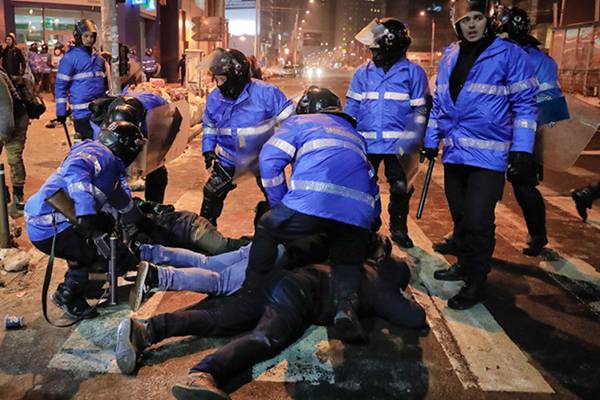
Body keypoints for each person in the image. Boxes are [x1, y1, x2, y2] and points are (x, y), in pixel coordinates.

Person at [115, 258, 426, 399]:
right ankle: (204, 373)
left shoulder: (354, 262)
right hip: (301, 297)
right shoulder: (382, 286)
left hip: (280, 278)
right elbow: (414, 319)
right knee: (264, 338)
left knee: (220, 319)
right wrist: (406, 296)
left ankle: (147, 329)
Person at [421, 0, 538, 310]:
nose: (471, 25)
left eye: (476, 18)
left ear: (487, 20)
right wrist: (431, 140)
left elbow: (526, 104)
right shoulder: (449, 56)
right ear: (457, 25)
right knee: (460, 217)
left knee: (477, 220)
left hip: (489, 156)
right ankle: (463, 263)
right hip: (456, 153)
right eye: (465, 20)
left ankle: (476, 282)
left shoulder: (510, 54)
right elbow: (441, 104)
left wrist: (523, 148)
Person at [246, 86, 380, 343]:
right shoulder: (354, 135)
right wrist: (372, 221)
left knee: (267, 226)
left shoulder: (299, 122)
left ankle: (251, 288)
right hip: (357, 211)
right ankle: (345, 307)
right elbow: (371, 181)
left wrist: (278, 204)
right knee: (347, 255)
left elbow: (270, 159)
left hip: (311, 201)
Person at [24, 121, 149, 319]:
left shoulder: (110, 164)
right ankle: (68, 294)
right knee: (97, 254)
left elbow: (120, 199)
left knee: (105, 243)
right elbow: (76, 172)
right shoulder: (99, 154)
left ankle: (81, 280)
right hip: (50, 225)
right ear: (125, 146)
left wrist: (140, 220)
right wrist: (85, 214)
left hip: (58, 220)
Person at [346, 18, 429, 248]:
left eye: (376, 44)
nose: (372, 49)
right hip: (367, 143)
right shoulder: (362, 73)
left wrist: (418, 139)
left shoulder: (413, 73)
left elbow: (420, 110)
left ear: (390, 43)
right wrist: (344, 133)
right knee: (363, 186)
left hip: (399, 146)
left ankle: (398, 226)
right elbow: (351, 107)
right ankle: (367, 223)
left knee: (401, 189)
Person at [497, 6, 570, 256]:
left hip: (500, 131)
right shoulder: (543, 61)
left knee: (488, 185)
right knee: (524, 186)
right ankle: (537, 236)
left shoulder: (498, 55)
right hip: (525, 135)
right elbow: (551, 105)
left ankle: (469, 235)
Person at [200, 48, 293, 226]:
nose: (218, 85)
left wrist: (282, 152)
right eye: (216, 79)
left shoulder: (266, 93)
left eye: (222, 79)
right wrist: (208, 150)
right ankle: (204, 234)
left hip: (262, 158)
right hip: (229, 158)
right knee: (211, 193)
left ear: (236, 76)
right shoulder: (214, 98)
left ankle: (281, 231)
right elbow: (210, 124)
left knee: (275, 195)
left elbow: (290, 121)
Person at [55, 19, 108, 140]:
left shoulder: (99, 58)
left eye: (92, 36)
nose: (89, 39)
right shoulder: (70, 59)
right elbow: (60, 86)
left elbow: (105, 83)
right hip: (82, 115)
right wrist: (61, 111)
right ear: (78, 36)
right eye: (86, 36)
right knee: (86, 149)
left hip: (100, 112)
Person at [0, 65, 29, 214]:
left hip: (15, 120)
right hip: (4, 121)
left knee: (13, 157)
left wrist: (3, 137)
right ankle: (3, 195)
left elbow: (5, 111)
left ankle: (18, 197)